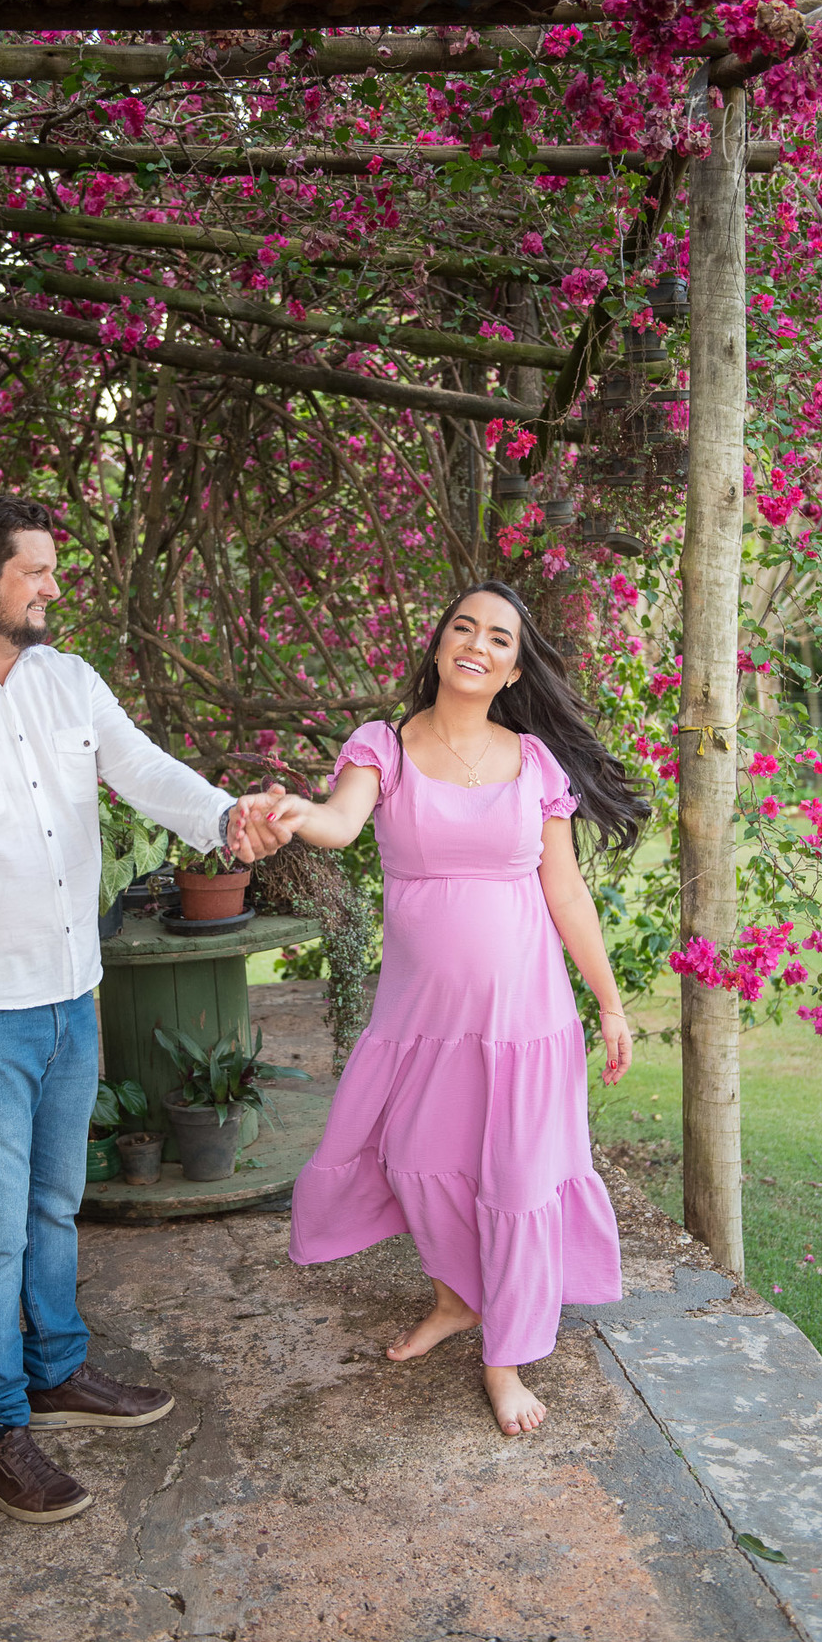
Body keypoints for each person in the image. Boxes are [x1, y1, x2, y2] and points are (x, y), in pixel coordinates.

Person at [0, 491, 289, 1524]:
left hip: (72, 993)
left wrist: (225, 815)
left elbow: (142, 769)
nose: (52, 588)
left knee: (53, 1206)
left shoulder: (69, 681)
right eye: (35, 571)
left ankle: (56, 1371)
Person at [269, 581, 647, 1436]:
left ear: (513, 671)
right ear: (439, 647)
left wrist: (610, 1005)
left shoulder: (535, 763)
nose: (478, 644)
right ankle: (455, 1299)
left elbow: (566, 893)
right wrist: (298, 814)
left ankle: (504, 1360)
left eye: (499, 638)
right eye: (464, 628)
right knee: (416, 1159)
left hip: (525, 1020)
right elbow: (339, 822)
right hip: (421, 1021)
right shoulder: (385, 747)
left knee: (513, 1181)